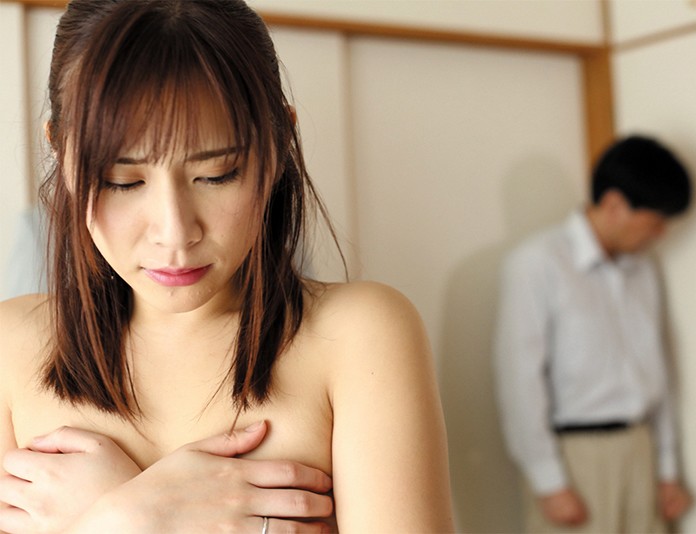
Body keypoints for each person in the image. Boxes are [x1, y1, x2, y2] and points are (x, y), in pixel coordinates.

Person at [0, 1, 454, 533]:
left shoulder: (359, 334)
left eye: (217, 174)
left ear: (279, 144)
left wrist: (116, 519)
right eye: (123, 181)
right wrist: (128, 520)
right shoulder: (11, 348)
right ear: (60, 153)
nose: (174, 232)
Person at [494, 135, 693, 533]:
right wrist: (549, 481)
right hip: (576, 457)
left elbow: (659, 369)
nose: (660, 234)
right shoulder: (538, 263)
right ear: (615, 205)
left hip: (640, 448)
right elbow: (520, 379)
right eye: (654, 222)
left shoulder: (643, 269)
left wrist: (668, 469)